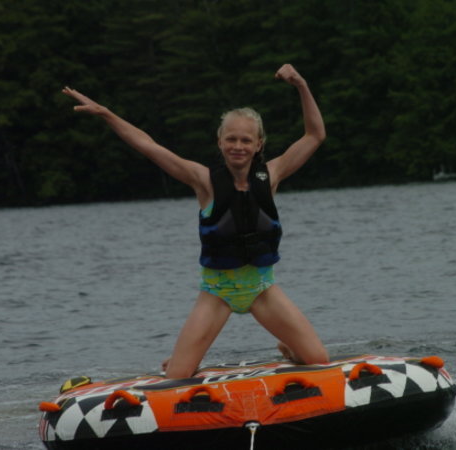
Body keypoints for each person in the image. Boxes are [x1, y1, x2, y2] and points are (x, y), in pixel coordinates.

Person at [62, 63, 329, 378]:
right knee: (177, 377)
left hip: (262, 289)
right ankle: (181, 358)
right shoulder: (203, 180)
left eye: (246, 140)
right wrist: (106, 114)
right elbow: (149, 146)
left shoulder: (271, 174)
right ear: (220, 142)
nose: (238, 146)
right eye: (231, 139)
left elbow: (315, 135)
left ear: (258, 144)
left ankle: (289, 347)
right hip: (217, 292)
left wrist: (300, 84)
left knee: (319, 360)